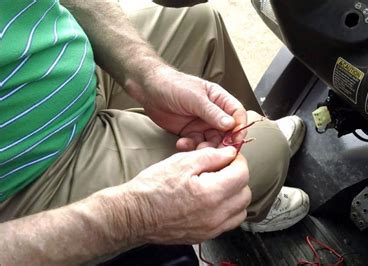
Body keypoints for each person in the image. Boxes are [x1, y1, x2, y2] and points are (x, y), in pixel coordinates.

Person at [0, 0, 309, 264]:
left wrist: (147, 75)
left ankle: (242, 192)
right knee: (265, 149)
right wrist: (134, 216)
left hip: (65, 73)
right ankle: (248, 203)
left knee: (199, 24)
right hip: (30, 172)